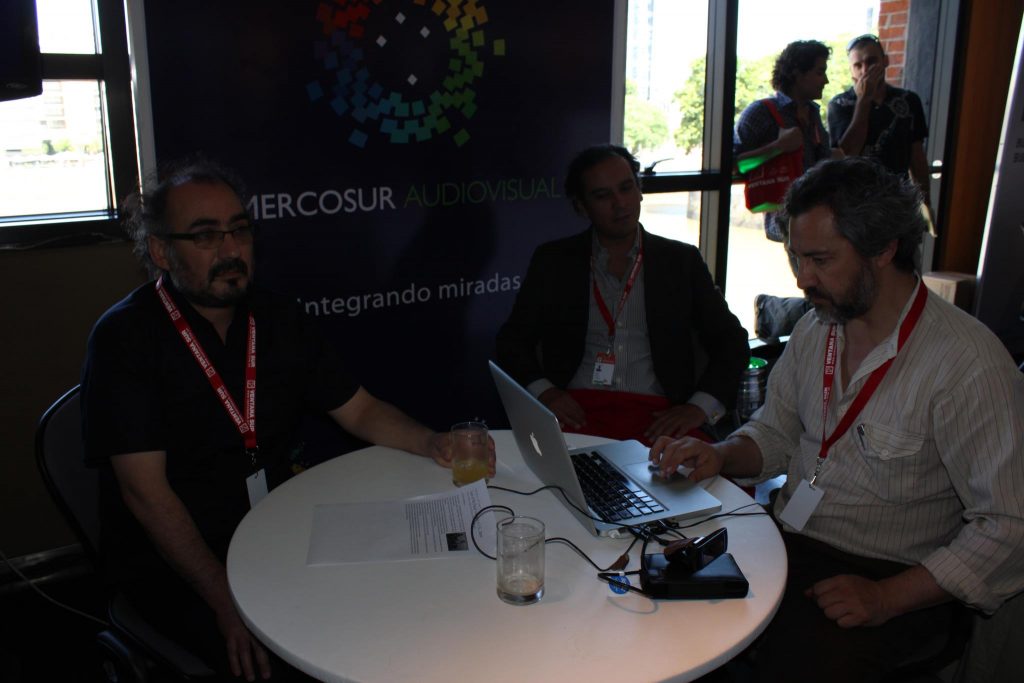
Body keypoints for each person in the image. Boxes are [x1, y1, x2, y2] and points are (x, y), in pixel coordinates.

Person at [80, 159, 494, 681]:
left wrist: (430, 441)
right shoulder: (125, 339)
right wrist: (222, 596)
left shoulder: (278, 317)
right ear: (161, 251)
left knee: (395, 616)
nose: (230, 250)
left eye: (240, 230)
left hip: (273, 531)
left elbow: (360, 409)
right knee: (290, 659)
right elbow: (146, 495)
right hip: (178, 563)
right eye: (205, 236)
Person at [649, 157, 1024, 682]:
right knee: (666, 608)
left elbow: (1008, 526)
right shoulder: (817, 328)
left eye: (820, 260)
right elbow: (775, 433)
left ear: (884, 248)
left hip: (893, 575)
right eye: (796, 257)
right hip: (791, 541)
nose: (802, 279)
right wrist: (719, 454)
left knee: (793, 661)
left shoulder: (967, 364)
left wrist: (886, 598)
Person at [495, 144, 749, 445]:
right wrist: (546, 393)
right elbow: (512, 341)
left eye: (627, 188)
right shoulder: (554, 261)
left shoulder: (680, 261)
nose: (620, 204)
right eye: (603, 196)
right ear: (581, 206)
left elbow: (732, 341)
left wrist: (699, 408)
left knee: (706, 471)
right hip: (575, 413)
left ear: (640, 190)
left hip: (659, 418)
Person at [734, 40, 836, 242]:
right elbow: (734, 166)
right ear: (797, 74)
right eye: (820, 72)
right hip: (787, 221)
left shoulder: (813, 113)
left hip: (817, 216)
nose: (826, 80)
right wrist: (777, 147)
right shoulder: (760, 112)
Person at [827, 34, 930, 207]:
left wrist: (925, 203)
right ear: (851, 70)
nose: (865, 70)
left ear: (885, 61)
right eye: (858, 65)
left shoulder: (908, 100)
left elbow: (917, 157)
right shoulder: (840, 104)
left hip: (898, 201)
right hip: (856, 204)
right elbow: (846, 154)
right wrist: (864, 100)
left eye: (871, 61)